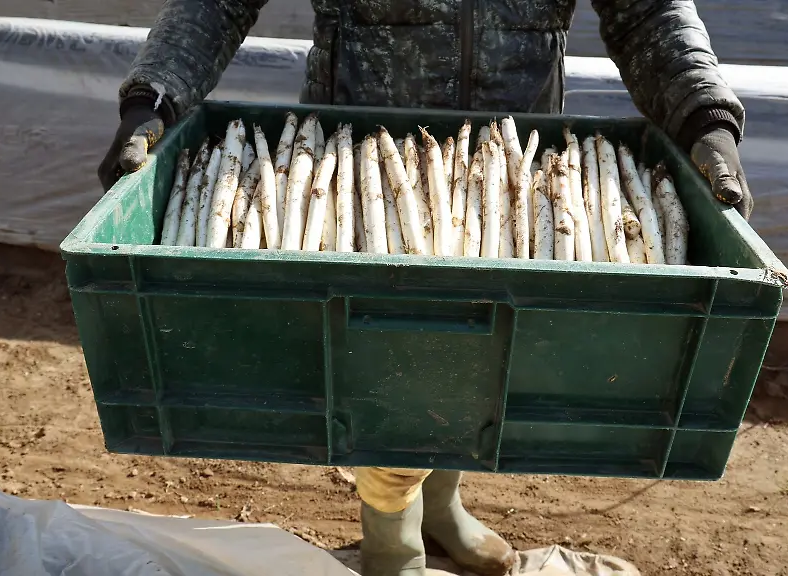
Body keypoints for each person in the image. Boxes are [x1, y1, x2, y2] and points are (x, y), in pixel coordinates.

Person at [98, 2, 752, 574]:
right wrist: (155, 98)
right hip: (360, 175)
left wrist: (704, 113)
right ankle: (392, 542)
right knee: (385, 366)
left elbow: (646, 11)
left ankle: (439, 503)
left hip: (509, 172)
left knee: (476, 360)